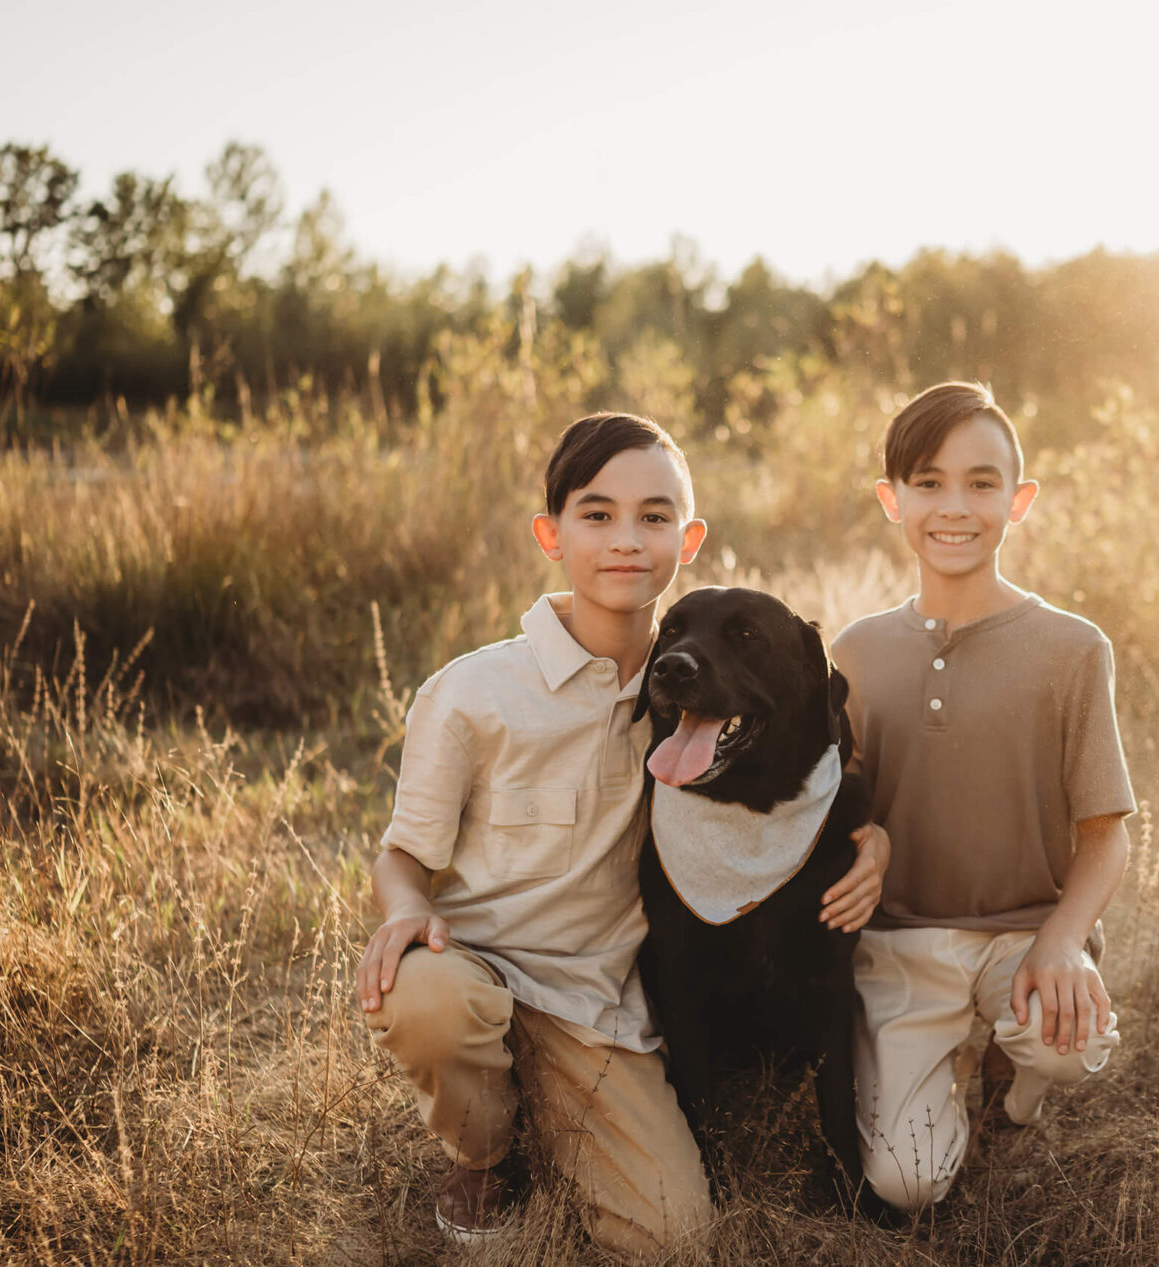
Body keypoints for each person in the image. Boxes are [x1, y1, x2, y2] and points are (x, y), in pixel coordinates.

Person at [355, 412, 888, 1259]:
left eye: (654, 516)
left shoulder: (692, 681)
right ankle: (486, 1157)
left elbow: (797, 782)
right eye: (596, 515)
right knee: (429, 997)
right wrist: (403, 910)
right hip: (481, 972)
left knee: (676, 1238)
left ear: (689, 536)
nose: (626, 539)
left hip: (597, 1010)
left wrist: (874, 840)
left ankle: (558, 1113)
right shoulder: (471, 692)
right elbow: (403, 852)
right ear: (551, 533)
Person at [830, 381, 1135, 1214]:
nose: (954, 506)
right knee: (907, 1184)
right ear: (893, 501)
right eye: (927, 482)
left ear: (1019, 500)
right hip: (899, 946)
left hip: (1022, 936)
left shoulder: (1073, 647)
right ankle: (945, 1062)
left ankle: (1015, 1083)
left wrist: (1064, 941)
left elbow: (1105, 834)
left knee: (1064, 1046)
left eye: (981, 482)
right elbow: (836, 808)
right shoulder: (857, 650)